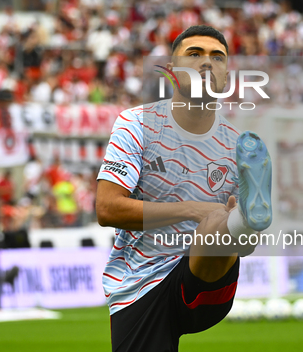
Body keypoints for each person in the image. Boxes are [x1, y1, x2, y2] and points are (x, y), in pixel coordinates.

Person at [96, 25, 272, 351]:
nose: (207, 63)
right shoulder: (136, 125)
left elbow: (246, 249)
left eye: (217, 57)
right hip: (139, 283)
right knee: (211, 219)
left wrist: (246, 229)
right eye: (194, 54)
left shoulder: (236, 146)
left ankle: (239, 219)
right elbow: (107, 209)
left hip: (203, 273)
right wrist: (192, 208)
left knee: (217, 226)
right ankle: (231, 221)